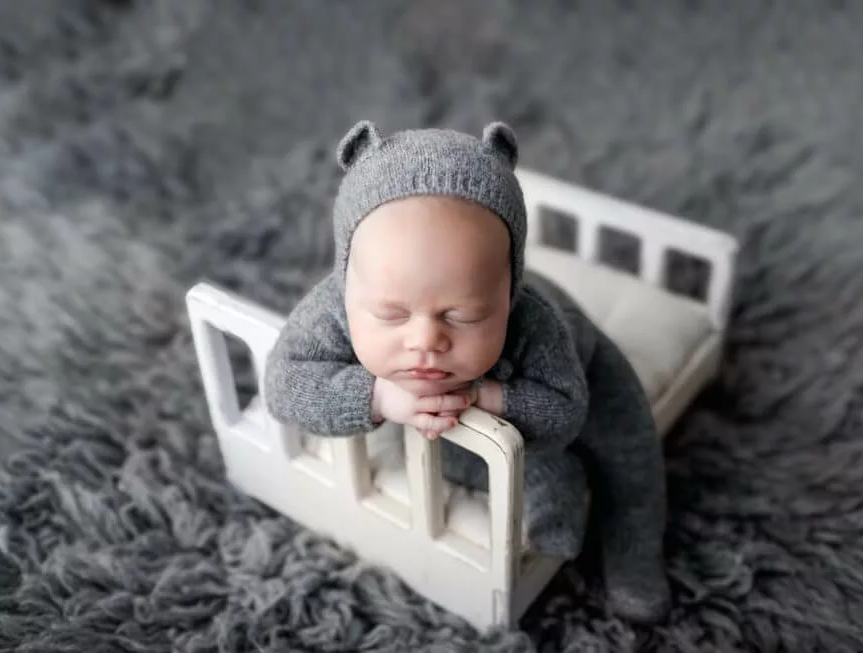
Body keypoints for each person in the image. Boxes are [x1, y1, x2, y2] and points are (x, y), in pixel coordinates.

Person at [264, 120, 671, 623]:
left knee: (630, 456)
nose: (426, 342)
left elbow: (567, 410)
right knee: (459, 447)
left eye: (464, 316)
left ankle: (634, 547)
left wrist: (490, 397)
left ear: (508, 294)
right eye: (392, 315)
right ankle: (550, 478)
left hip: (582, 366)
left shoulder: (539, 326)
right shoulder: (334, 307)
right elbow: (284, 384)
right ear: (347, 281)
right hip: (459, 397)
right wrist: (379, 398)